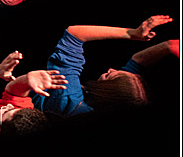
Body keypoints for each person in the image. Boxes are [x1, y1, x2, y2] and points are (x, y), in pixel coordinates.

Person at [36, 15, 176, 117]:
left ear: (107, 92)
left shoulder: (69, 98)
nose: (110, 69)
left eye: (110, 75)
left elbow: (74, 35)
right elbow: (136, 64)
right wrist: (168, 46)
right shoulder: (109, 105)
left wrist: (132, 34)